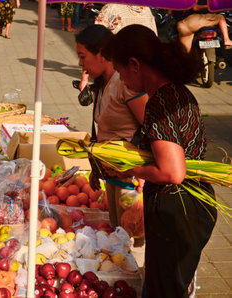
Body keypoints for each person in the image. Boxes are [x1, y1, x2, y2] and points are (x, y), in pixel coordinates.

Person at [103, 24, 217, 297]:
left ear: (134, 65)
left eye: (120, 72)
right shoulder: (176, 92)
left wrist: (129, 168)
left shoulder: (159, 104)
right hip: (192, 205)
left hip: (176, 210)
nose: (122, 80)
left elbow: (172, 172)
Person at [75, 25, 148, 228]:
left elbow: (151, 126)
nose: (80, 63)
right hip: (114, 176)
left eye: (83, 56)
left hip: (133, 179)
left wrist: (145, 173)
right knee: (120, 237)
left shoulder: (124, 82)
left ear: (101, 54)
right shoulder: (102, 82)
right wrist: (97, 167)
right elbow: (107, 132)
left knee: (133, 242)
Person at [79, 4, 157, 91]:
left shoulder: (111, 8)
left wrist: (85, 77)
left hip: (115, 73)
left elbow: (94, 44)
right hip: (139, 74)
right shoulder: (146, 10)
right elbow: (154, 45)